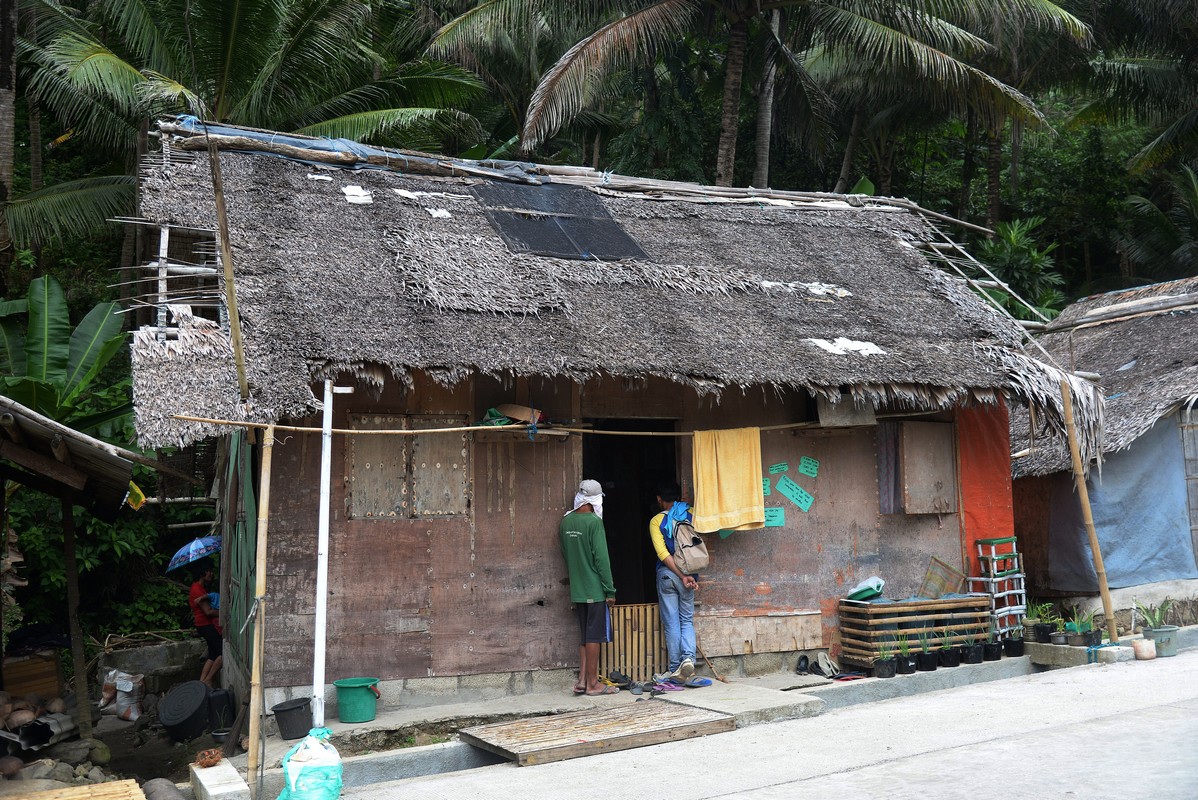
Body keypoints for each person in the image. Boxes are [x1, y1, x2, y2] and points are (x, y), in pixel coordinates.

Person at [559, 479, 617, 696]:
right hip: (595, 590)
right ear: (595, 501)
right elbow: (602, 560)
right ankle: (593, 684)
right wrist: (610, 590)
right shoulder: (594, 522)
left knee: (584, 636)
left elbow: (566, 555)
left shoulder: (565, 523)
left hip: (578, 589)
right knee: (594, 636)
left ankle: (582, 680)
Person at [650, 482, 698, 682]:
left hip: (668, 575)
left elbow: (662, 554)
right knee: (686, 620)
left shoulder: (656, 521)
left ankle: (674, 668)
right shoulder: (692, 514)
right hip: (690, 574)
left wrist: (678, 574)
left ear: (659, 499)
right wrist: (686, 575)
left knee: (672, 623)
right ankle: (688, 660)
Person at [189, 561, 223, 688]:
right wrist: (224, 613)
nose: (211, 574)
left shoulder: (200, 588)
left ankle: (202, 682)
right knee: (222, 653)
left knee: (213, 653)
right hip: (205, 625)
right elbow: (208, 611)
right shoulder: (197, 589)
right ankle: (208, 679)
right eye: (209, 571)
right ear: (202, 573)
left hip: (202, 625)